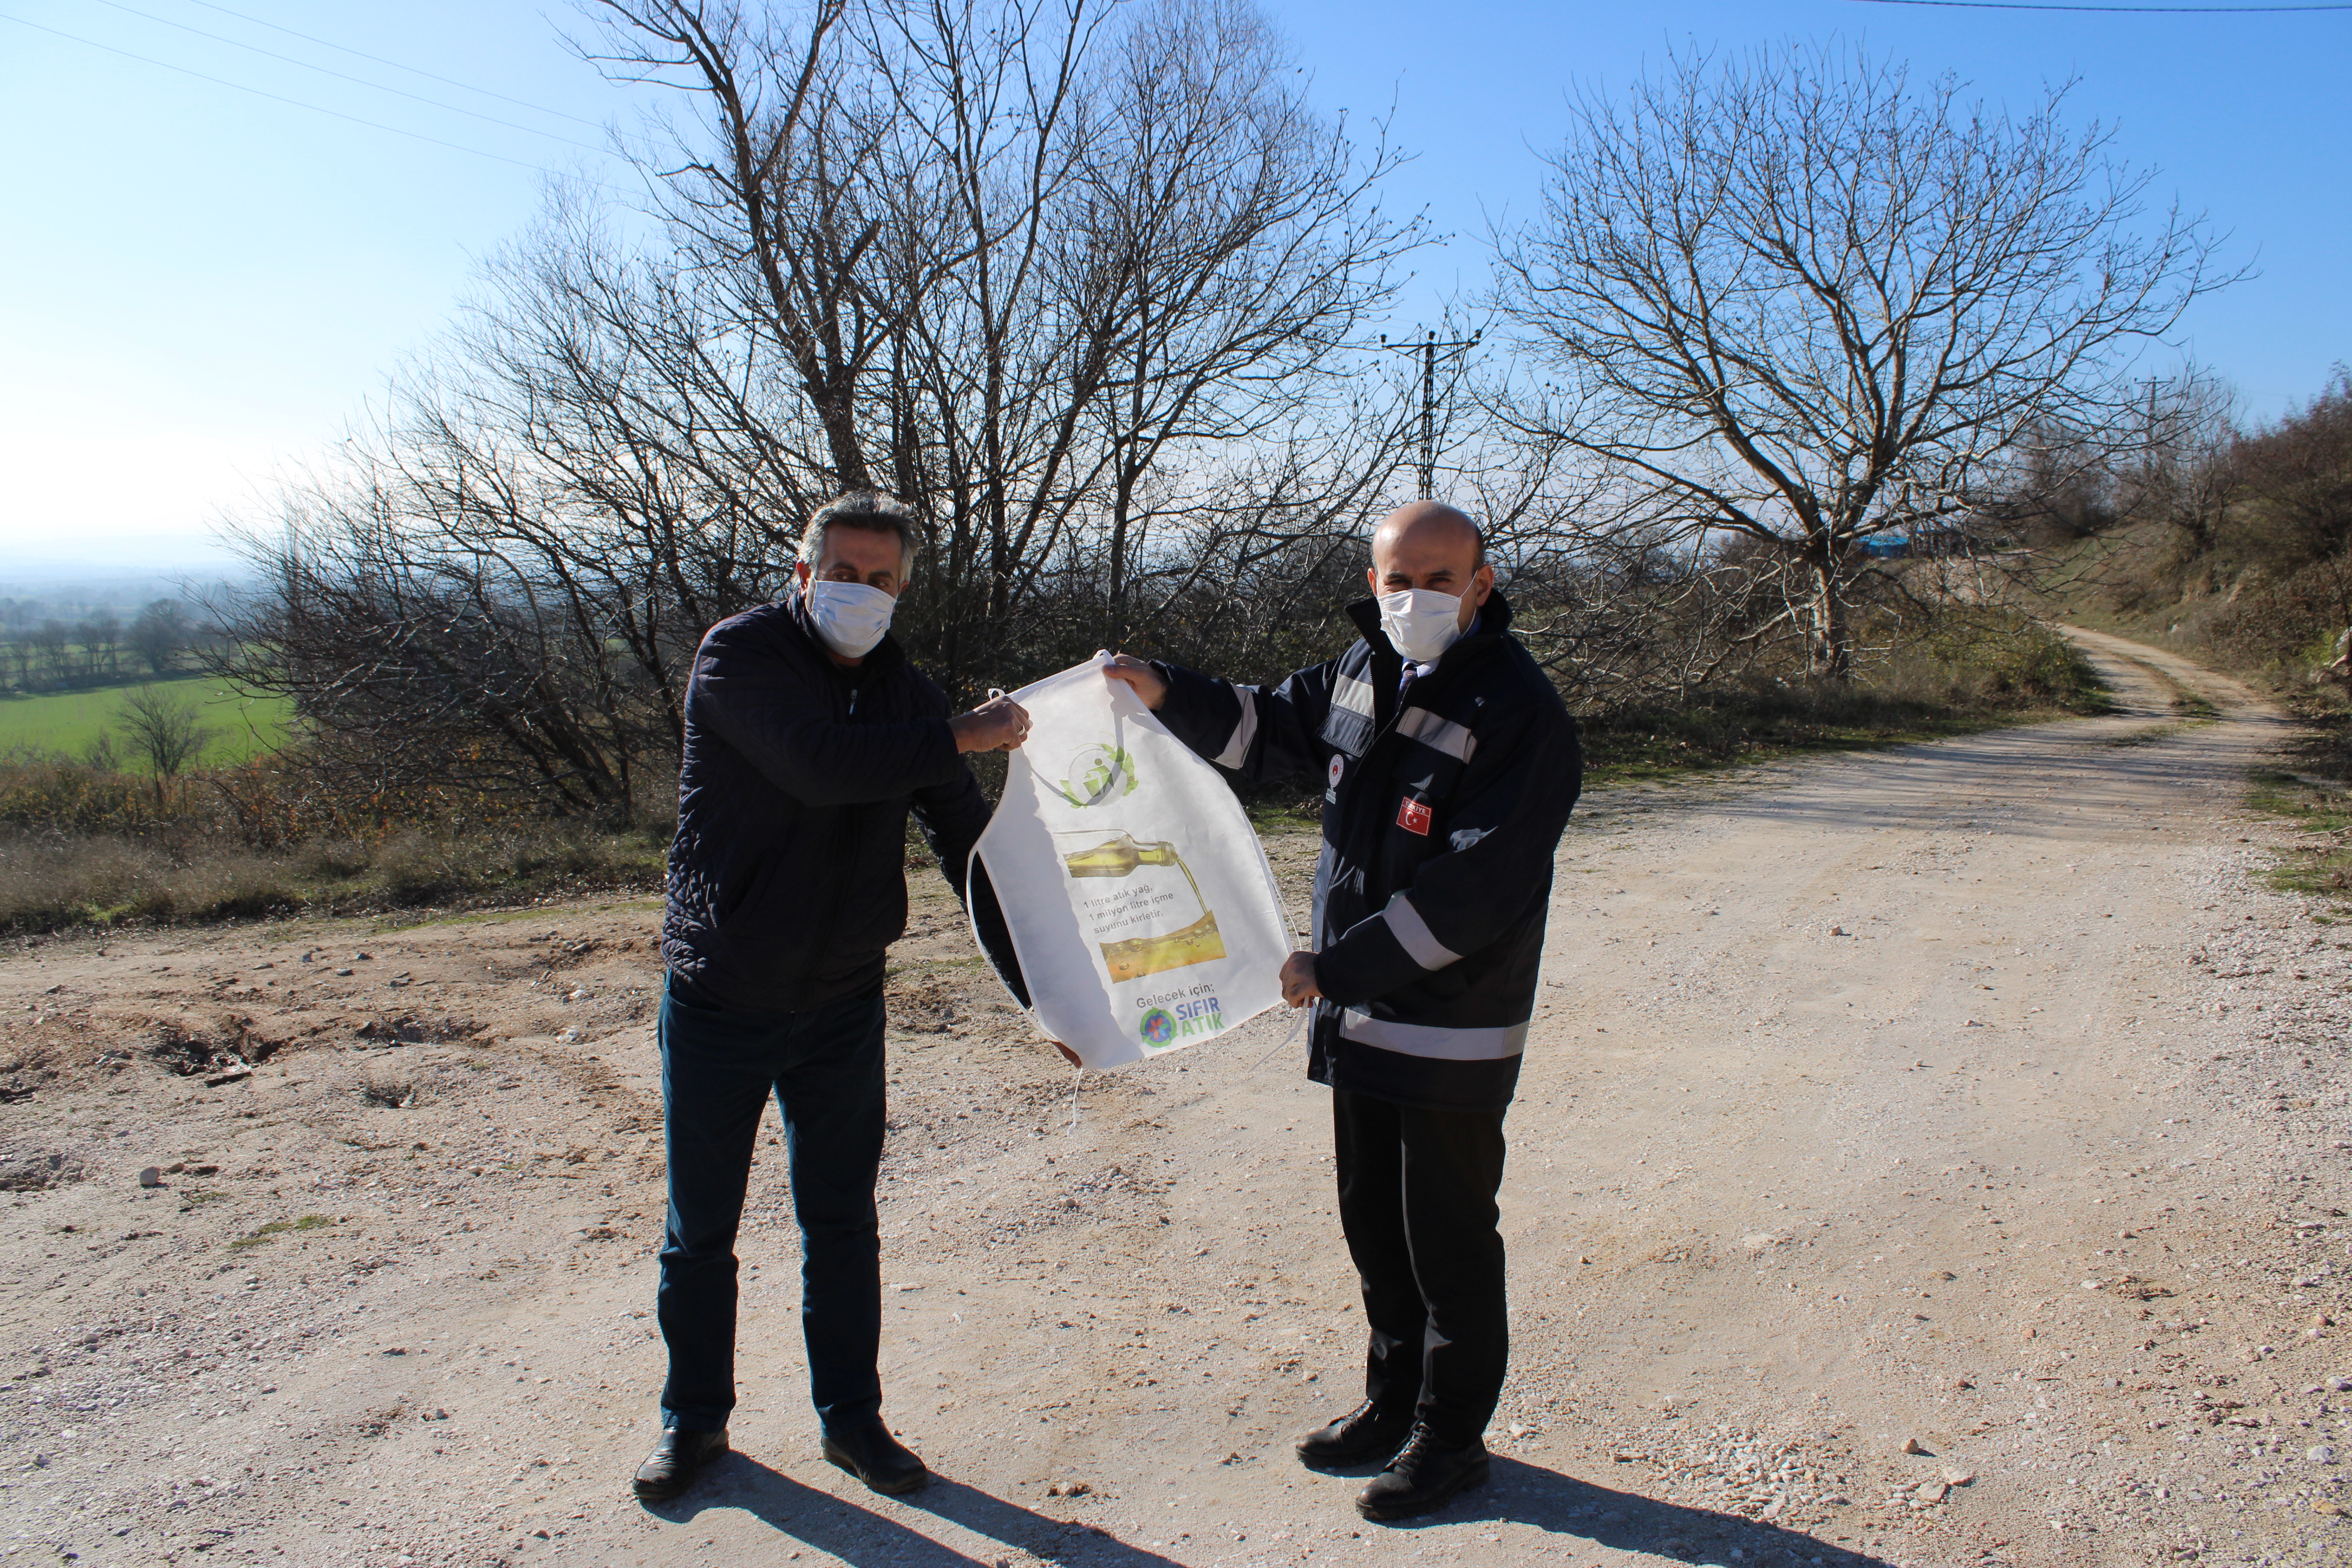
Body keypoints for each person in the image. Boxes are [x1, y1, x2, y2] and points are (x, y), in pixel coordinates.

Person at [1107, 501, 1581, 1522]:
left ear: (1482, 585)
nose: (1415, 597)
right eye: (1397, 578)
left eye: (1440, 578)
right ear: (1373, 581)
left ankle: (1453, 1440)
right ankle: (1391, 1401)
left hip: (1448, 1019)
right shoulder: (1364, 669)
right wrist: (1159, 688)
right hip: (1360, 1014)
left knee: (1446, 1236)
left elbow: (1481, 884)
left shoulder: (1519, 709)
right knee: (1374, 1224)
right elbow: (1267, 727)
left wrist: (1341, 966)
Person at [632, 492, 1030, 1505]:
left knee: (842, 1223)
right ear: (802, 575)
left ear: (902, 593)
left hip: (844, 1001)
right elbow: (816, 766)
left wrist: (1047, 988)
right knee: (701, 1230)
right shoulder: (740, 658)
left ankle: (852, 1419)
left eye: (881, 579)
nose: (860, 591)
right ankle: (695, 1423)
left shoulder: (913, 699)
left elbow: (964, 844)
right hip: (723, 994)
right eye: (843, 573)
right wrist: (962, 734)